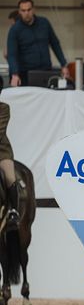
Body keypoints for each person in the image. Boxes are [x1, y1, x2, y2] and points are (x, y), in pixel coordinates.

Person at [6, 0, 70, 87]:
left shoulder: (44, 23)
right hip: (25, 74)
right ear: (19, 11)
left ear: (34, 9)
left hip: (45, 71)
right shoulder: (15, 30)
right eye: (23, 11)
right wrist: (15, 74)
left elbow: (55, 44)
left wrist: (63, 64)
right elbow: (12, 54)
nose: (26, 13)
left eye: (29, 10)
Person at [0, 77, 20, 229]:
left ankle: (13, 211)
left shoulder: (3, 108)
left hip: (2, 151)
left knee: (9, 176)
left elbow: (0, 131)